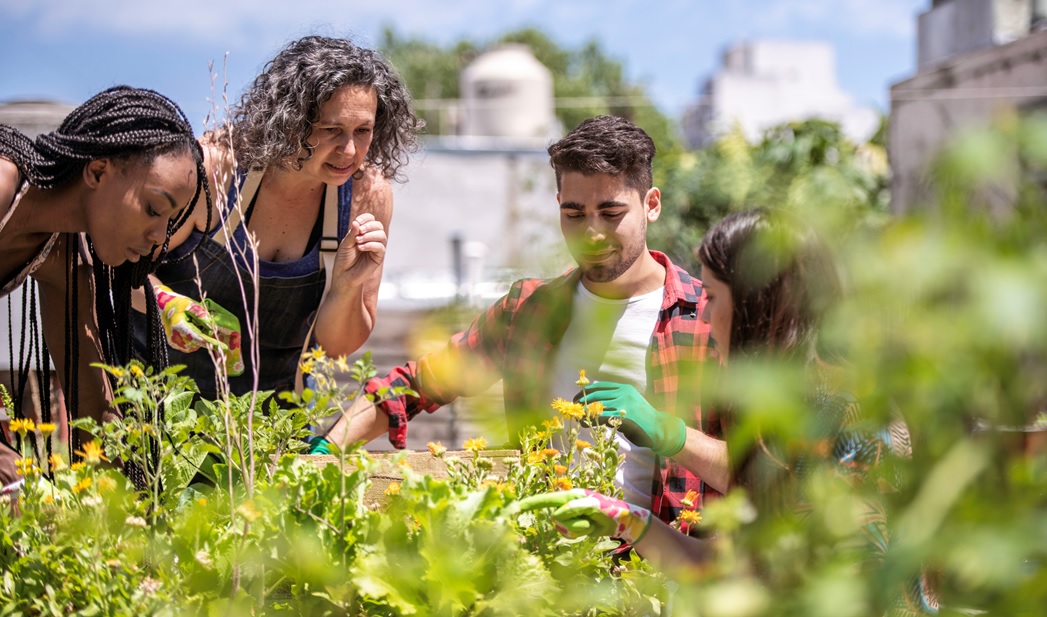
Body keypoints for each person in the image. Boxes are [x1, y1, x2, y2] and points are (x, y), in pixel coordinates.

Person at [324, 114, 723, 524]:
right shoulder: (529, 310)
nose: (591, 233)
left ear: (651, 205)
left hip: (663, 576)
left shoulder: (708, 318)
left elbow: (765, 476)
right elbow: (415, 384)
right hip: (551, 566)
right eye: (574, 214)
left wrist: (670, 434)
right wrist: (323, 451)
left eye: (610, 213)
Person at [522, 210, 923, 587]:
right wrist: (623, 519)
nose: (706, 317)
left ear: (756, 303)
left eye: (712, 296)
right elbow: (722, 565)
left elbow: (849, 598)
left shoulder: (847, 418)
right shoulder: (786, 410)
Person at [132, 35, 421, 399]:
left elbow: (336, 348)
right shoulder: (215, 169)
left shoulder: (367, 195)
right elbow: (116, 267)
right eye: (331, 130)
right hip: (159, 399)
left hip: (273, 419)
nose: (349, 150)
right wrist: (166, 304)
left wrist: (347, 286)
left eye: (362, 131)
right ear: (289, 120)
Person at [0, 85, 210, 492]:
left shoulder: (63, 251)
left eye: (169, 222)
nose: (157, 236)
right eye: (153, 209)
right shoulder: (3, 183)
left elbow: (93, 409)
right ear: (97, 172)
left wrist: (128, 505)